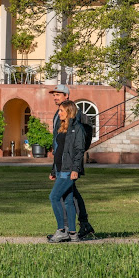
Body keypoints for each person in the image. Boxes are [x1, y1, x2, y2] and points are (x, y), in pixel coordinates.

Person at [48, 84, 95, 240]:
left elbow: (81, 142)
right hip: (61, 163)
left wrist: (75, 163)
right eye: (54, 95)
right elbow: (59, 140)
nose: (55, 97)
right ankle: (74, 230)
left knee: (60, 196)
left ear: (66, 96)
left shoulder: (77, 116)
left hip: (69, 164)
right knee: (69, 196)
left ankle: (68, 228)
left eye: (58, 94)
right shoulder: (58, 115)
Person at [47, 100, 86, 242]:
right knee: (68, 200)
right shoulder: (61, 127)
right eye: (59, 110)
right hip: (59, 169)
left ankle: (61, 230)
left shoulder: (78, 128)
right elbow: (58, 150)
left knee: (54, 197)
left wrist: (75, 169)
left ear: (69, 112)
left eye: (62, 111)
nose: (59, 113)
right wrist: (53, 170)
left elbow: (79, 150)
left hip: (69, 170)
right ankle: (73, 233)